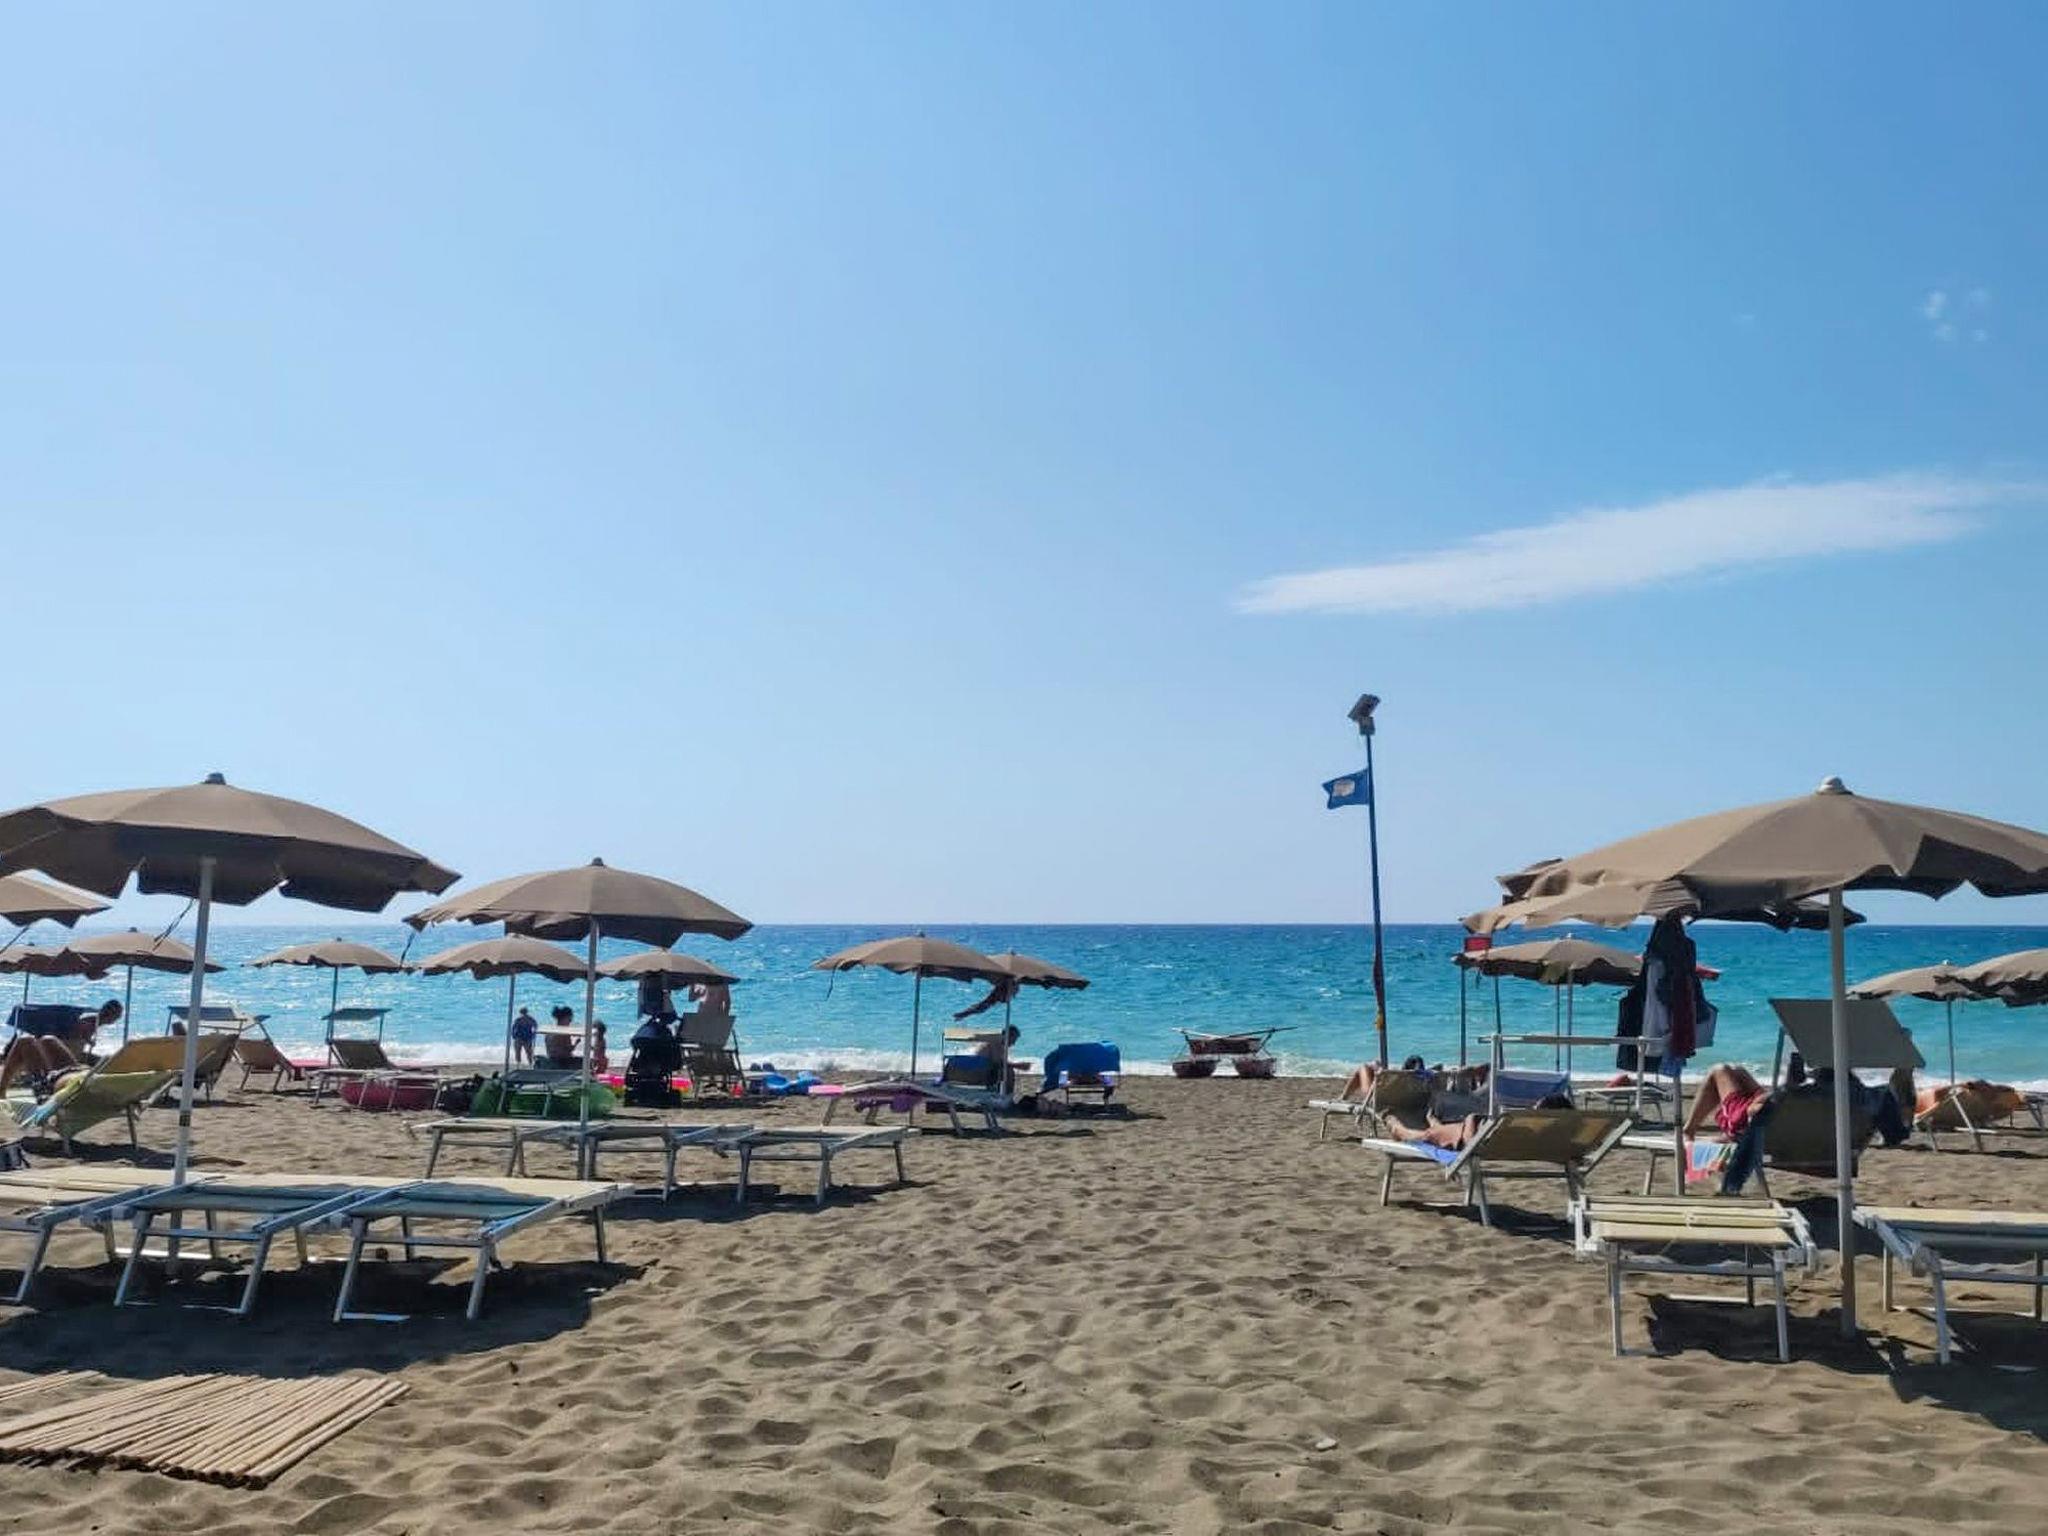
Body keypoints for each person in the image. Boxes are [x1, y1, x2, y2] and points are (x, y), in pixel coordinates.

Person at [1682, 1063, 1772, 1140]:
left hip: (1746, 1123)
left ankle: (1690, 1129)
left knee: (1719, 1070)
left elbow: (1752, 1112)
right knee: (1738, 1071)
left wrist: (1759, 1100)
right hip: (1768, 1109)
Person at [0, 1035, 80, 1097]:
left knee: (25, 1041)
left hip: (56, 1087)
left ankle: (1, 1091)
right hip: (78, 1074)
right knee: (48, 1040)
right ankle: (1, 1090)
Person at [953, 977, 1020, 1023]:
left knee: (981, 1008)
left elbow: (1010, 992)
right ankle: (962, 1015)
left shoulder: (1011, 987)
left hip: (998, 995)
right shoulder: (1010, 987)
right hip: (998, 995)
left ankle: (962, 1015)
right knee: (980, 1008)